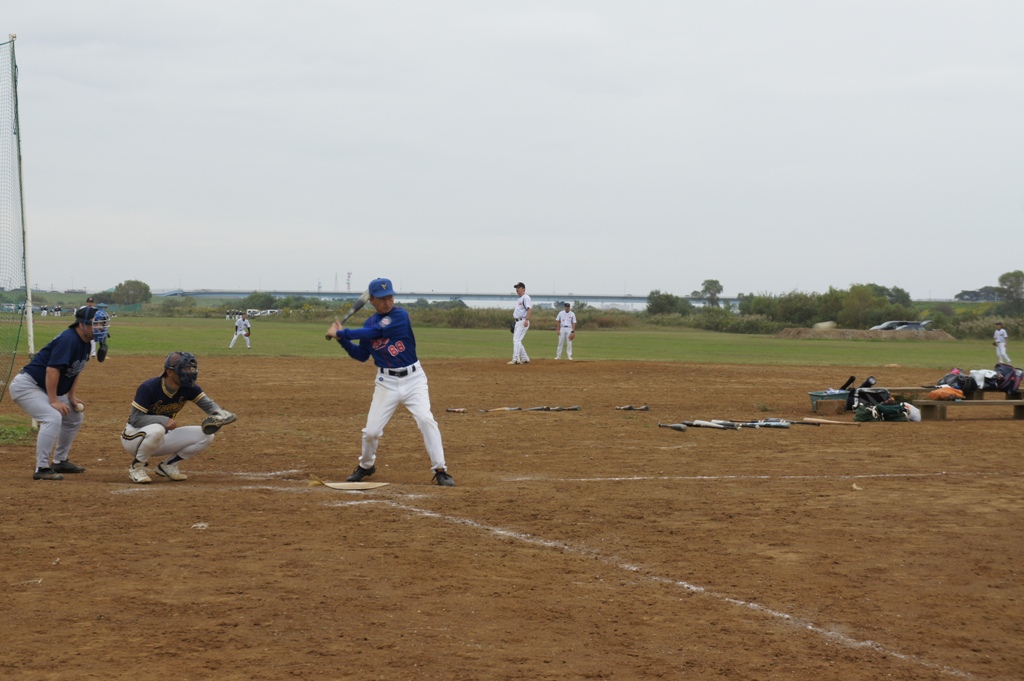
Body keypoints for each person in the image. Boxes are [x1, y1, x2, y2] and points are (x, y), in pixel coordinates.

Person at [325, 277, 454, 487]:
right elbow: (361, 355)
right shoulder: (369, 323)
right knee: (371, 432)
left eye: (390, 296)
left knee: (426, 419)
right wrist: (343, 341)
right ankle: (366, 466)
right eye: (383, 298)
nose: (388, 301)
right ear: (372, 300)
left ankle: (440, 470)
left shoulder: (400, 316)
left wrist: (341, 332)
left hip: (414, 380)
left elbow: (377, 332)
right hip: (386, 382)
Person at [8, 305, 110, 480]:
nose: (100, 328)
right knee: (52, 416)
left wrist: (70, 396)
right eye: (96, 324)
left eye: (101, 324)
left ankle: (60, 461)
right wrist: (54, 400)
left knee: (74, 418)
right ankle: (41, 468)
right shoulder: (68, 340)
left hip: (44, 387)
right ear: (81, 325)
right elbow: (52, 371)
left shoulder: (86, 343)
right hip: (28, 386)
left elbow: (75, 370)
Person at [120, 351, 235, 484]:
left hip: (161, 438)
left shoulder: (189, 388)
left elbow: (208, 405)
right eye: (185, 369)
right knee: (158, 429)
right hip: (134, 437)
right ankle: (137, 468)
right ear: (169, 372)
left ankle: (168, 466)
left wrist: (218, 413)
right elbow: (135, 418)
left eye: (191, 369)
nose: (189, 373)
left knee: (206, 436)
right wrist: (163, 420)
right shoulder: (149, 387)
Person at [509, 282, 532, 365]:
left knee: (517, 340)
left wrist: (527, 320)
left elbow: (529, 309)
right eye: (516, 288)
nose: (517, 290)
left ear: (523, 289)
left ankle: (515, 359)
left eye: (519, 288)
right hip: (518, 322)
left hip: (523, 321)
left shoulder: (525, 298)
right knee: (518, 340)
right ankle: (525, 358)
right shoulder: (520, 298)